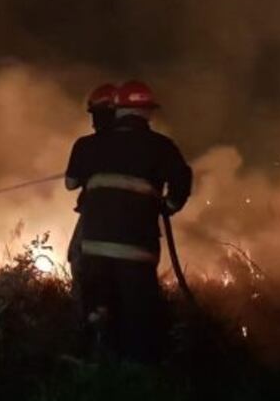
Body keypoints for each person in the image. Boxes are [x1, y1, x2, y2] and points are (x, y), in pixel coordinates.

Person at [64, 80, 192, 362]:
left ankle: (93, 361)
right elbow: (182, 180)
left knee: (97, 305)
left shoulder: (90, 145)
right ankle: (136, 376)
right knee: (138, 315)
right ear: (147, 113)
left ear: (116, 109)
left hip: (95, 244)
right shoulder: (162, 146)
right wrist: (168, 206)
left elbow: (70, 183)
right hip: (138, 247)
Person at [66, 83, 117, 346]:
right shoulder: (138, 145)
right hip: (134, 223)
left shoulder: (85, 146)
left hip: (94, 219)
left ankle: (84, 332)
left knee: (80, 261)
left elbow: (71, 183)